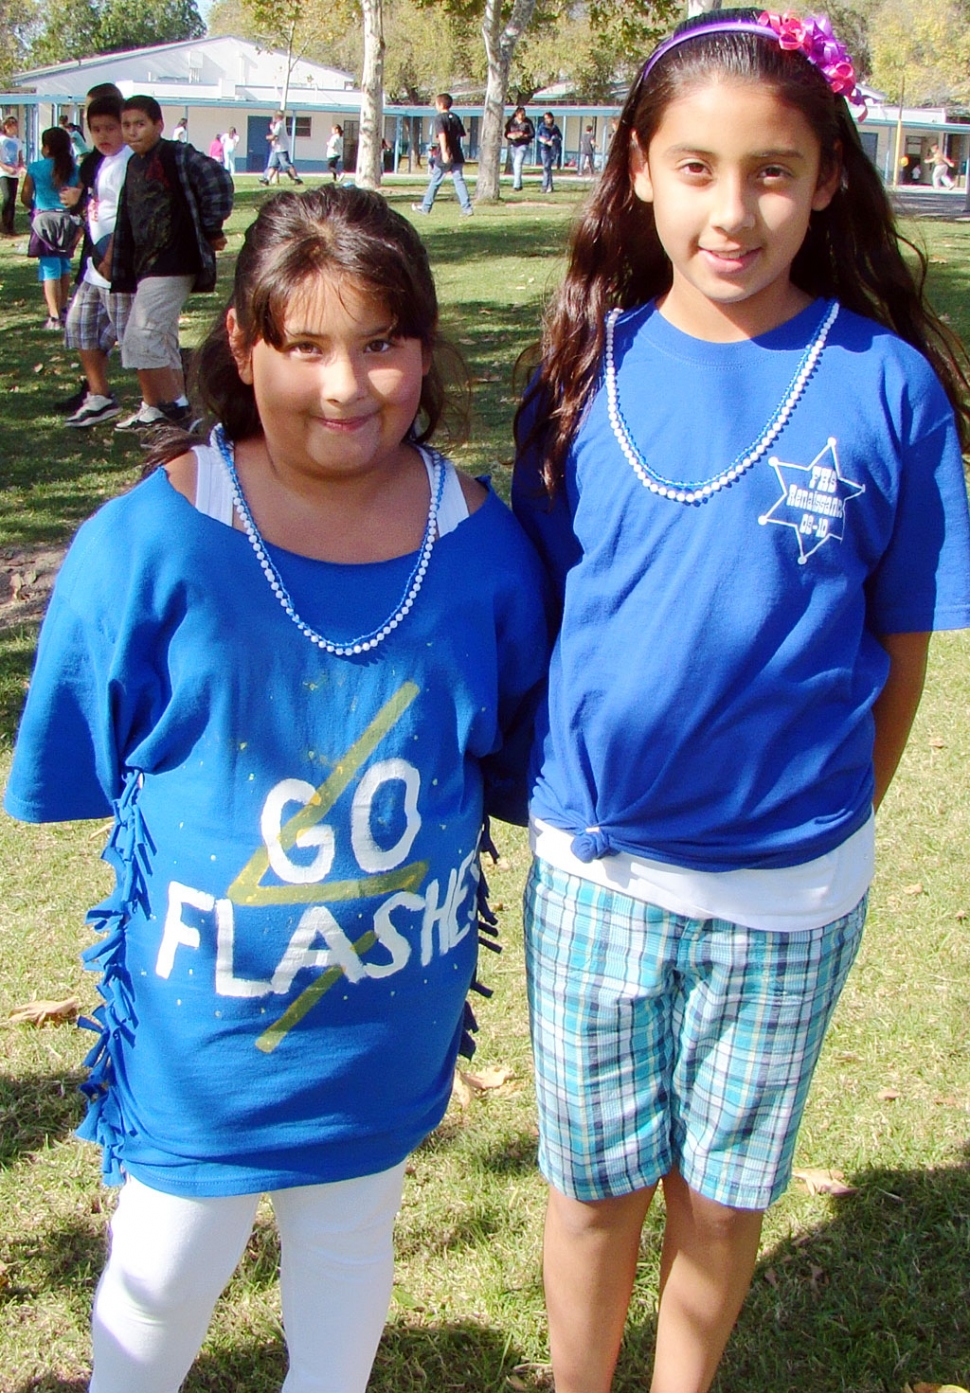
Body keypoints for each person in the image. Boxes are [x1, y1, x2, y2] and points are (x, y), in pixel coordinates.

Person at [4, 183, 548, 1392]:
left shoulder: (480, 544)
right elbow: (79, 763)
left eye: (381, 343)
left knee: (351, 1241)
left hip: (385, 1027)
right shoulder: (147, 544)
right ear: (242, 348)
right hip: (205, 1037)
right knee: (165, 1263)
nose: (345, 386)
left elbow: (504, 749)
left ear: (424, 349)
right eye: (304, 346)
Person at [512, 10, 970, 1393]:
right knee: (594, 1188)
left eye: (771, 171)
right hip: (595, 870)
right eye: (696, 167)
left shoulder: (886, 387)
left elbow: (899, 654)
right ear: (638, 170)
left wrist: (822, 825)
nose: (732, 208)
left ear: (827, 177)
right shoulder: (579, 372)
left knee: (720, 1192)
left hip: (789, 891)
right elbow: (542, 621)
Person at [109, 94, 234, 435]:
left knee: (142, 335)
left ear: (158, 125)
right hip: (146, 264)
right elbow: (129, 217)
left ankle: (175, 409)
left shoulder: (175, 155)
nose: (132, 132)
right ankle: (165, 407)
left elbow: (217, 180)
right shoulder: (134, 164)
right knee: (161, 337)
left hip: (175, 261)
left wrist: (211, 228)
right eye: (127, 126)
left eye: (140, 124)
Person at [61, 92, 134, 427]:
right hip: (95, 264)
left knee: (135, 338)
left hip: (117, 262)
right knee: (80, 327)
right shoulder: (99, 162)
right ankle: (99, 395)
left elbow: (130, 214)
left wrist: (113, 256)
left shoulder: (128, 163)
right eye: (96, 129)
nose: (104, 136)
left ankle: (167, 404)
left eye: (110, 128)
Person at [21, 126, 80, 329]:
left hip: (45, 220)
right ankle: (64, 309)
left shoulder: (36, 168)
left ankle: (54, 317)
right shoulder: (75, 169)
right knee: (64, 266)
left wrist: (35, 208)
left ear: (46, 148)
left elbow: (25, 197)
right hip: (68, 220)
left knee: (49, 268)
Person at [412, 94, 473, 217]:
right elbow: (460, 134)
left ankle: (425, 207)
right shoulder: (455, 117)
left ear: (440, 104)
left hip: (445, 153)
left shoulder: (439, 118)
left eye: (436, 104)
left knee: (435, 181)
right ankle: (467, 208)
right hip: (457, 153)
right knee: (459, 180)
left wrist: (444, 152)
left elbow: (442, 135)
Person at [259, 111, 303, 186]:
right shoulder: (279, 124)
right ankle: (267, 180)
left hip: (281, 148)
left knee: (287, 165)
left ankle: (297, 179)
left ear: (277, 117)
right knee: (273, 165)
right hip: (276, 149)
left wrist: (267, 137)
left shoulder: (279, 125)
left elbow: (274, 136)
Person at [0, 114, 23, 236]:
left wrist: (20, 166)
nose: (15, 127)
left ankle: (11, 226)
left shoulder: (17, 141)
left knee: (13, 200)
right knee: (7, 197)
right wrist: (6, 168)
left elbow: (20, 157)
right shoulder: (1, 140)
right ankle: (3, 223)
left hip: (15, 174)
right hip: (4, 173)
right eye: (12, 125)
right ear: (6, 126)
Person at [504, 106, 535, 191]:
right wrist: (511, 135)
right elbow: (506, 133)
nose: (523, 116)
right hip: (513, 145)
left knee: (517, 163)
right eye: (521, 114)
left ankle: (516, 185)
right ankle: (519, 184)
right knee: (516, 165)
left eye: (524, 114)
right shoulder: (511, 122)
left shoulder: (528, 122)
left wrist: (524, 135)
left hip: (523, 145)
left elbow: (532, 134)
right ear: (517, 114)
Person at [536, 111, 562, 193]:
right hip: (544, 148)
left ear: (552, 118)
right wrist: (544, 141)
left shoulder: (555, 127)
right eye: (545, 118)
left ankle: (547, 186)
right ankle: (547, 186)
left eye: (548, 118)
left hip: (552, 149)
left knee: (547, 167)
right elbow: (537, 136)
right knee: (546, 167)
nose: (547, 120)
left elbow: (560, 137)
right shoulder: (542, 127)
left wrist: (554, 139)